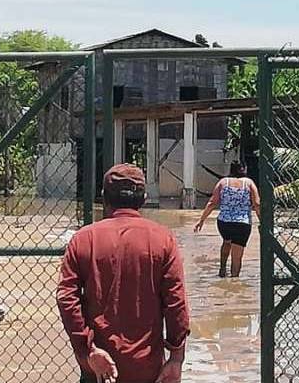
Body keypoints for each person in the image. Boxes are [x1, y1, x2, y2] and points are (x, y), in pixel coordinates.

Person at [57, 163, 189, 383]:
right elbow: (176, 303)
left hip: (98, 369)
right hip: (148, 369)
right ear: (144, 199)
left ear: (104, 197)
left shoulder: (83, 239)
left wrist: (88, 349)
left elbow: (66, 298)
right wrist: (176, 357)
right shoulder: (163, 239)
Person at [194, 162, 260, 278]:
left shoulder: (223, 182)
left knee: (226, 241)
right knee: (237, 256)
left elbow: (212, 203)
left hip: (224, 223)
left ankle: (222, 268)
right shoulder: (249, 183)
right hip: (242, 224)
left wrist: (201, 220)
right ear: (244, 169)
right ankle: (234, 280)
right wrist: (262, 222)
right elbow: (257, 204)